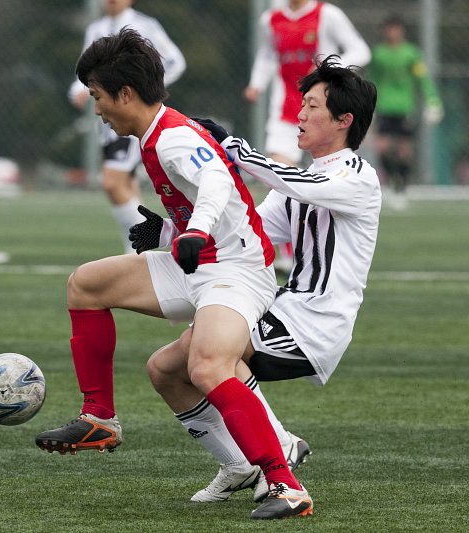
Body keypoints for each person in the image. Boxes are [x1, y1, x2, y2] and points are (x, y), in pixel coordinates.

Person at [36, 28, 312, 520]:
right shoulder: (155, 135)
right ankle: (99, 417)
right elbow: (207, 198)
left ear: (125, 93)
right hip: (200, 263)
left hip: (236, 272)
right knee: (89, 288)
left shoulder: (173, 138)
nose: (96, 109)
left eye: (99, 97)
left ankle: (286, 485)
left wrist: (195, 231)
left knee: (207, 366)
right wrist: (170, 234)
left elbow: (216, 181)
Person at [147, 55, 379, 507]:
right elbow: (247, 234)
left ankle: (280, 453)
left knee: (211, 357)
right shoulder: (301, 180)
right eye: (303, 103)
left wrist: (233, 146)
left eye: (312, 106)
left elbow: (296, 183)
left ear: (343, 120)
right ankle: (238, 464)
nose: (301, 114)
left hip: (317, 323)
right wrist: (166, 232)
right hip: (284, 308)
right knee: (164, 368)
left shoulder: (357, 177)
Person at [244, 0, 370, 273]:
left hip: (324, 111)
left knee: (318, 178)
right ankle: (287, 253)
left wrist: (331, 71)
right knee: (279, 174)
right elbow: (268, 56)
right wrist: (257, 84)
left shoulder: (327, 14)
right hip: (287, 108)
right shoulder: (271, 19)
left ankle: (320, 245)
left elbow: (360, 50)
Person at [69, 0, 186, 254]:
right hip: (109, 121)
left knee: (113, 182)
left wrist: (145, 88)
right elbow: (85, 73)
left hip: (132, 118)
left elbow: (176, 61)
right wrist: (78, 90)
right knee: (126, 187)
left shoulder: (146, 26)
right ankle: (139, 249)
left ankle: (140, 251)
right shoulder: (96, 29)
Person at [369, 15, 443, 210]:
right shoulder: (379, 54)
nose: (392, 33)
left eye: (396, 29)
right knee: (382, 147)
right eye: (389, 28)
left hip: (405, 108)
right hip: (384, 107)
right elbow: (372, 80)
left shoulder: (411, 54)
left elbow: (423, 79)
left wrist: (432, 100)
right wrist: (369, 105)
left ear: (401, 31)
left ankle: (401, 188)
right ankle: (390, 183)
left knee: (404, 151)